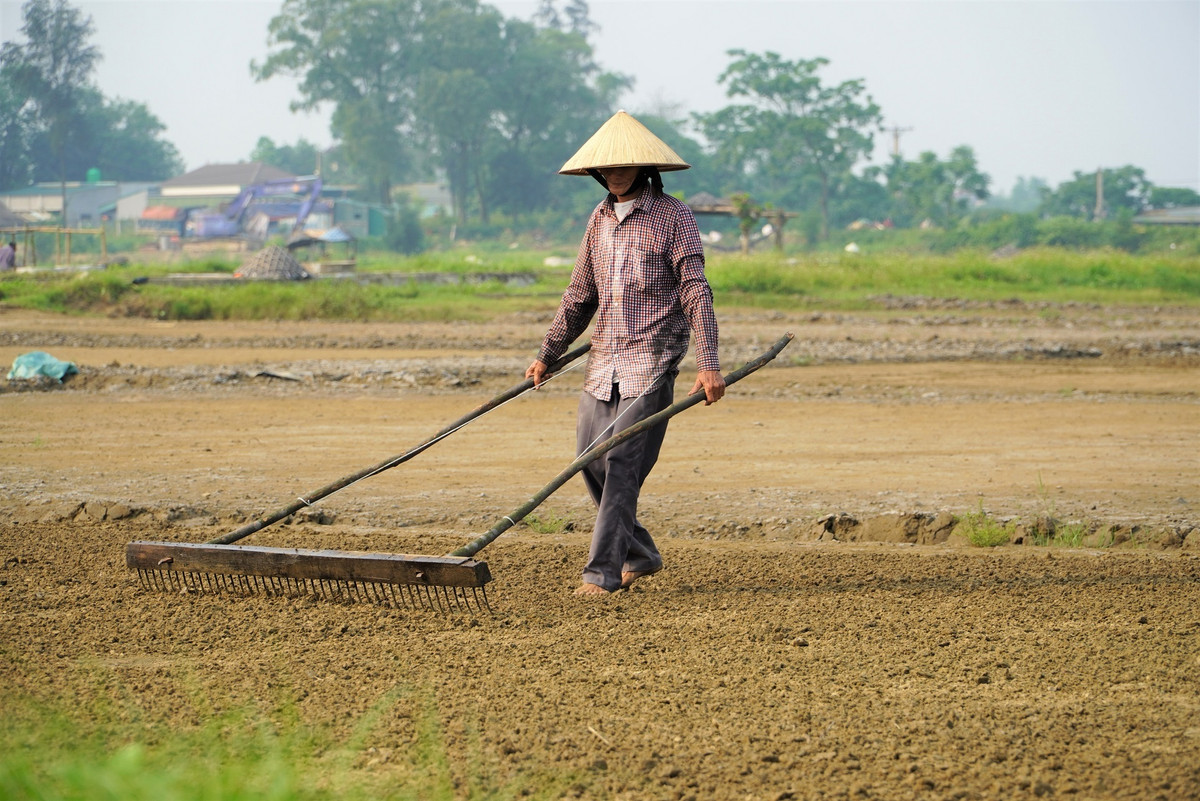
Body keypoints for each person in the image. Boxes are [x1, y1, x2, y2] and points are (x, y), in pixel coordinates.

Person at [526, 110, 724, 596]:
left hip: (653, 361)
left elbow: (695, 290)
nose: (615, 173)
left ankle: (602, 573)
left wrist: (709, 362)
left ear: (644, 168)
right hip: (604, 362)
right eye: (607, 167)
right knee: (589, 459)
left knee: (620, 465)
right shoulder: (598, 220)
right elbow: (580, 294)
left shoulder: (673, 215)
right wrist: (548, 353)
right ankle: (639, 551)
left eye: (624, 166)